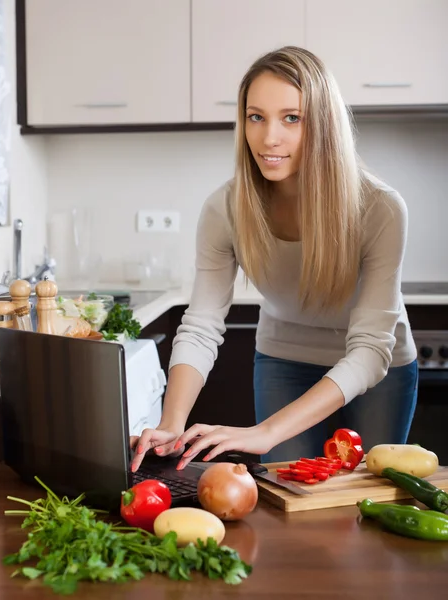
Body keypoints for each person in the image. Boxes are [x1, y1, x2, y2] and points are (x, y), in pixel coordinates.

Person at [131, 46, 418, 473]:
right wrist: (171, 422)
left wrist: (265, 431)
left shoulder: (379, 208)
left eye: (291, 118)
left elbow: (370, 349)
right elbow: (202, 323)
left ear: (323, 123)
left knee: (363, 503)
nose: (269, 138)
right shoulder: (224, 209)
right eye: (256, 116)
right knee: (289, 495)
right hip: (283, 358)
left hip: (378, 372)